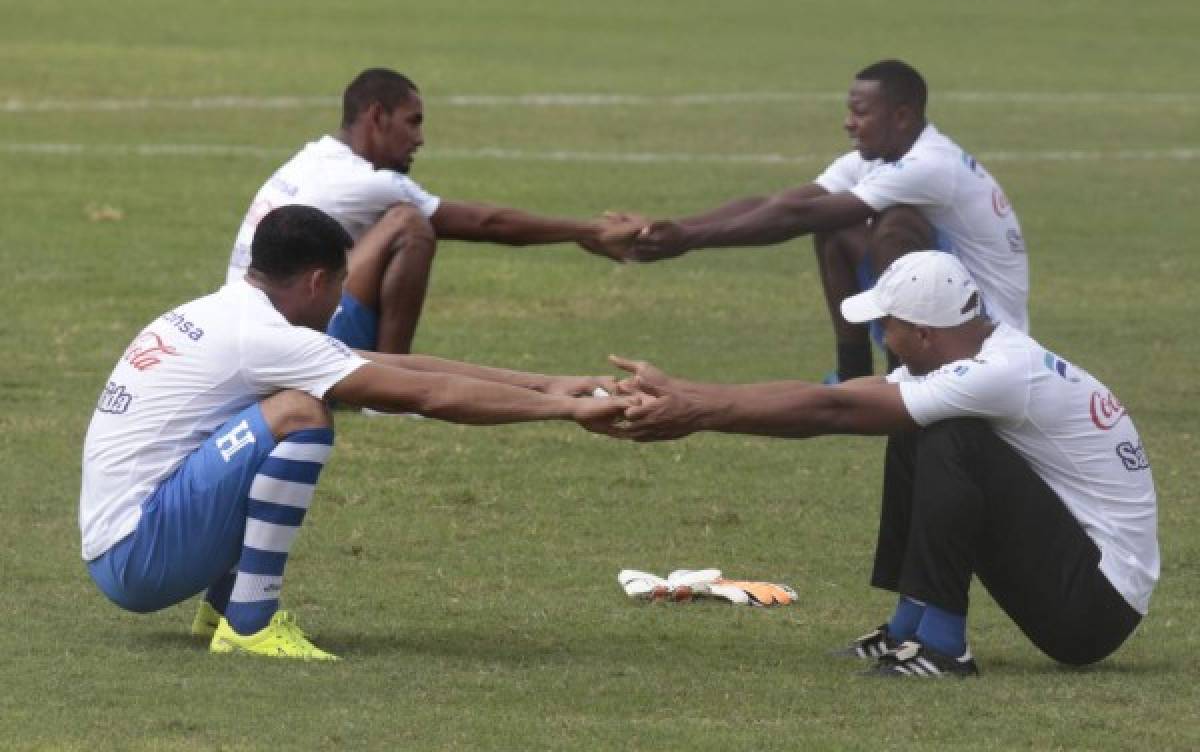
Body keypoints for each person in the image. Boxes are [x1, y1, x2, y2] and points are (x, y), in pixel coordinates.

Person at [83, 205, 627, 661]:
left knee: (282, 408)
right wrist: (564, 412)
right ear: (318, 280)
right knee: (300, 413)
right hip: (139, 557)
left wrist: (556, 385)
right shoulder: (266, 338)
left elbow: (403, 367)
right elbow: (429, 396)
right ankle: (248, 625)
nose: (342, 303)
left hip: (126, 545)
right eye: (341, 284)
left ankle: (224, 608)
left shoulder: (228, 311)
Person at [604, 251, 1157, 678]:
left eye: (884, 325)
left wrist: (698, 414)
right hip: (1080, 578)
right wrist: (685, 391)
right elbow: (843, 395)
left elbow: (833, 411)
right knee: (916, 427)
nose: (878, 336)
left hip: (1093, 607)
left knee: (950, 439)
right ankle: (909, 631)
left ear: (922, 333)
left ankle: (942, 649)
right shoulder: (974, 352)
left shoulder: (998, 373)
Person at [614, 60, 1028, 384]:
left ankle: (910, 377)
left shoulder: (929, 165)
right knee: (836, 224)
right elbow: (781, 203)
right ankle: (854, 372)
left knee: (895, 224)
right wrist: (672, 228)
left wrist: (689, 239)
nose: (848, 122)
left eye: (860, 113)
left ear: (901, 117)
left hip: (987, 334)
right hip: (958, 315)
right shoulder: (882, 159)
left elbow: (795, 217)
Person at [225, 67, 645, 354]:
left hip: (251, 332)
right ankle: (388, 392)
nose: (420, 138)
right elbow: (487, 223)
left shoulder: (314, 156)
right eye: (413, 121)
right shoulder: (368, 181)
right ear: (376, 116)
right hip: (291, 339)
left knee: (393, 225)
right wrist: (588, 230)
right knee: (411, 224)